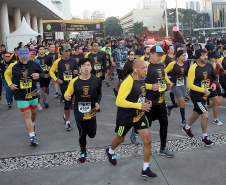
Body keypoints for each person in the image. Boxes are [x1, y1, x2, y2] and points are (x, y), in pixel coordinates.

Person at [106, 59, 157, 178]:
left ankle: (146, 168)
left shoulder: (141, 78)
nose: (146, 70)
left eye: (146, 67)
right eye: (143, 68)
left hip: (139, 115)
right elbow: (119, 101)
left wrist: (146, 98)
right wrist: (139, 105)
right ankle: (110, 151)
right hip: (125, 118)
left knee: (148, 141)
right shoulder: (127, 82)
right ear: (135, 70)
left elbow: (141, 88)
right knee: (120, 139)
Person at [130, 46, 174, 158]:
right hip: (149, 102)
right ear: (152, 54)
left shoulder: (161, 65)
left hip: (161, 100)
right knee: (147, 125)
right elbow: (136, 82)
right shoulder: (146, 65)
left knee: (164, 123)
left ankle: (163, 148)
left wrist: (168, 83)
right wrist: (150, 86)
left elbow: (164, 77)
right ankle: (135, 130)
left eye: (161, 55)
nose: (160, 57)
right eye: (158, 55)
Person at [4, 48, 45, 146]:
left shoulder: (34, 64)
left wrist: (38, 75)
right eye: (22, 57)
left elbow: (43, 73)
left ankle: (32, 125)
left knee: (33, 113)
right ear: (18, 56)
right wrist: (10, 84)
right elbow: (6, 74)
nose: (25, 58)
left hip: (33, 92)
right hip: (20, 94)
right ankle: (32, 137)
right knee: (27, 115)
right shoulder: (13, 66)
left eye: (26, 56)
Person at [64, 58, 102, 163]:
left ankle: (86, 142)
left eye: (88, 65)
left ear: (91, 67)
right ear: (80, 67)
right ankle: (83, 152)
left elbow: (99, 93)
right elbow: (68, 92)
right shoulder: (74, 81)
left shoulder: (96, 80)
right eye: (84, 65)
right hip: (79, 111)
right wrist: (67, 96)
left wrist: (98, 102)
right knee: (82, 133)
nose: (86, 67)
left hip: (91, 110)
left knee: (91, 134)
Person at [182, 49, 218, 146]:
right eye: (203, 56)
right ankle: (205, 137)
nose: (206, 57)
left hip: (205, 95)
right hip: (196, 96)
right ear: (198, 57)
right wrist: (202, 90)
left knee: (197, 113)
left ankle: (187, 127)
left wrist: (214, 84)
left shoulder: (209, 66)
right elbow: (189, 85)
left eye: (206, 55)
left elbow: (215, 77)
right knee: (205, 114)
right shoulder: (193, 68)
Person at [50, 44, 78, 131]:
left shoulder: (73, 60)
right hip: (64, 85)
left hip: (73, 85)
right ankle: (67, 122)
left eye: (69, 51)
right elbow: (51, 71)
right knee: (67, 103)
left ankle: (65, 115)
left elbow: (78, 70)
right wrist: (56, 79)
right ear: (61, 52)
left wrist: (78, 71)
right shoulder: (58, 62)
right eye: (66, 51)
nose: (68, 53)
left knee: (72, 102)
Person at [165, 50, 189, 125]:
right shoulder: (173, 64)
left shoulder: (186, 63)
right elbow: (164, 72)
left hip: (182, 84)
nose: (185, 57)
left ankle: (169, 107)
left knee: (181, 102)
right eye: (183, 56)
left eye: (185, 55)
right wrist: (169, 81)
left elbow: (187, 74)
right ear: (179, 56)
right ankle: (183, 120)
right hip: (175, 85)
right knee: (182, 102)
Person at [207, 51, 223, 125]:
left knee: (219, 103)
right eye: (215, 58)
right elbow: (206, 76)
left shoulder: (217, 64)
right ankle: (215, 119)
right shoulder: (208, 65)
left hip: (217, 85)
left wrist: (221, 67)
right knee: (216, 102)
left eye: (217, 58)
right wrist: (212, 69)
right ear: (211, 59)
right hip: (210, 86)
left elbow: (221, 73)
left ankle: (206, 107)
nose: (216, 59)